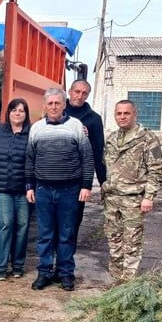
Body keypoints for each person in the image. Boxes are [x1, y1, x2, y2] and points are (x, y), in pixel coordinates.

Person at [25, 88, 93, 291]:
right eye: (50, 103)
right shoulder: (36, 128)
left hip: (69, 191)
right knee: (45, 234)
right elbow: (30, 159)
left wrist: (86, 185)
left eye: (57, 103)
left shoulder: (76, 126)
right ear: (44, 105)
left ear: (64, 105)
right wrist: (29, 186)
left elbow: (87, 157)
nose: (53, 107)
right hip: (43, 190)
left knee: (66, 234)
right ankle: (44, 272)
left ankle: (65, 273)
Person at [102, 100, 162, 283]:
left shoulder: (148, 139)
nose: (122, 117)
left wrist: (149, 197)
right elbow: (107, 165)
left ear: (135, 114)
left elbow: (157, 170)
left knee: (131, 243)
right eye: (119, 113)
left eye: (126, 113)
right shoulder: (112, 138)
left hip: (133, 200)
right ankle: (116, 281)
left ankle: (128, 283)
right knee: (114, 241)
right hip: (112, 199)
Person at [0, 98, 31, 281]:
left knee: (22, 226)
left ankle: (18, 265)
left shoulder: (32, 132)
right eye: (14, 110)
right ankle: (1, 266)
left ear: (26, 114)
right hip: (1, 188)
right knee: (4, 225)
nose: (17, 113)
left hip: (24, 189)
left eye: (21, 110)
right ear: (8, 113)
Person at [64, 80, 107, 234]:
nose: (80, 96)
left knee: (74, 219)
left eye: (84, 93)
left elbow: (98, 151)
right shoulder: (57, 112)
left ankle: (70, 247)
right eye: (77, 92)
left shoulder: (94, 119)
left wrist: (103, 182)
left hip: (78, 178)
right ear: (70, 92)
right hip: (53, 176)